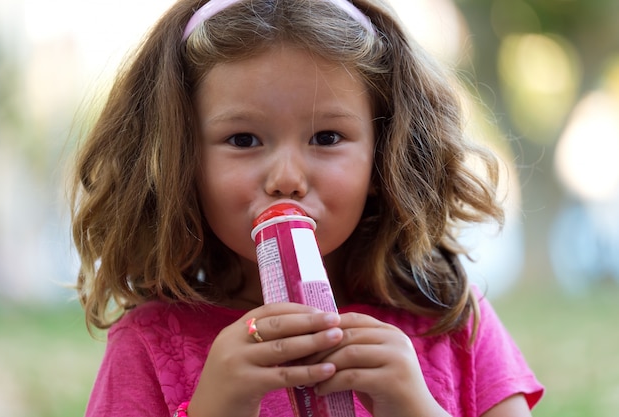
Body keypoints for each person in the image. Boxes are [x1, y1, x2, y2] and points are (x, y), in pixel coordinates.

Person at [69, 0, 544, 416]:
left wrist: (415, 410)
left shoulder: (455, 320)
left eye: (326, 138)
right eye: (243, 139)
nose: (287, 178)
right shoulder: (148, 345)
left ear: (382, 158)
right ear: (183, 162)